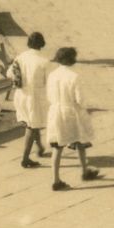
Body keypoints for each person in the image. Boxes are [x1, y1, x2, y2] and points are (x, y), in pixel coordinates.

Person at [45, 47, 99, 191]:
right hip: (71, 111)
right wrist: (85, 108)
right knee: (80, 140)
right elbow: (80, 99)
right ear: (72, 59)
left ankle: (56, 180)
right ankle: (84, 170)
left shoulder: (52, 75)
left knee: (57, 146)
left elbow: (49, 96)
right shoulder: (74, 76)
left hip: (55, 111)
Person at [8, 32, 53, 168]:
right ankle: (25, 159)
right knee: (32, 126)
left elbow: (9, 73)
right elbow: (49, 81)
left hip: (21, 95)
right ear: (42, 44)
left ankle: (39, 148)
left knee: (33, 122)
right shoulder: (44, 61)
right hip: (35, 97)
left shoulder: (21, 57)